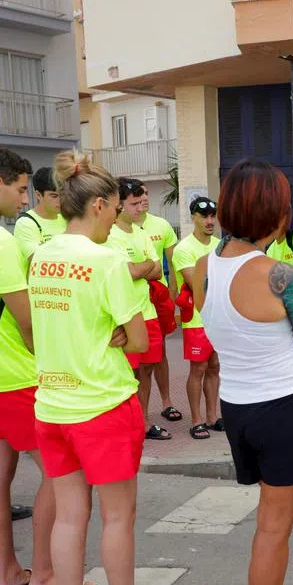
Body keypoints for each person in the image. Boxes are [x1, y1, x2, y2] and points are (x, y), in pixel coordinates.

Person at [30, 150, 172, 585]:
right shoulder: (108, 260)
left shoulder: (41, 253)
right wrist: (116, 333)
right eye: (115, 208)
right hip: (104, 405)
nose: (118, 218)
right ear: (97, 205)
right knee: (117, 518)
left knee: (69, 518)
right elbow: (139, 341)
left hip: (51, 403)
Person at [194, 159, 293, 585]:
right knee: (275, 528)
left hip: (238, 404)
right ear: (273, 213)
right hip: (283, 406)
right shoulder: (280, 275)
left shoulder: (208, 264)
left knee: (269, 524)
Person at [0, 146, 92, 585]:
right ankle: (46, 576)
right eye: (18, 188)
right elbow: (25, 318)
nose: (23, 199)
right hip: (13, 376)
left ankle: (8, 573)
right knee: (60, 472)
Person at [107, 178, 169, 441]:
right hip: (126, 314)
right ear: (119, 205)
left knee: (146, 370)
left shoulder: (141, 232)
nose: (139, 207)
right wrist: (141, 268)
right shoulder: (110, 234)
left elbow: (156, 270)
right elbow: (129, 272)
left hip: (149, 313)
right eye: (133, 203)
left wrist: (139, 269)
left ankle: (142, 422)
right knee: (127, 372)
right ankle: (127, 423)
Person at [172, 197, 221, 439]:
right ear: (193, 217)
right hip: (196, 320)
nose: (210, 221)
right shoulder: (184, 248)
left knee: (215, 367)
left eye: (213, 216)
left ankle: (212, 417)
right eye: (204, 216)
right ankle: (196, 420)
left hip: (217, 319)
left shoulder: (219, 245)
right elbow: (196, 284)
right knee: (198, 369)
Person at [137, 183, 182, 426]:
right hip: (135, 298)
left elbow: (172, 264)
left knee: (161, 353)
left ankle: (166, 401)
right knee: (137, 358)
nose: (144, 198)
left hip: (159, 297)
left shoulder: (161, 225)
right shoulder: (116, 228)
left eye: (146, 194)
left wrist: (172, 295)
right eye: (139, 195)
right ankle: (138, 411)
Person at [13, 166, 66, 261]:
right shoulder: (26, 223)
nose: (60, 200)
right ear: (38, 195)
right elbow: (37, 260)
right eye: (54, 196)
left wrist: (46, 247)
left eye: (63, 195)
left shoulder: (67, 218)